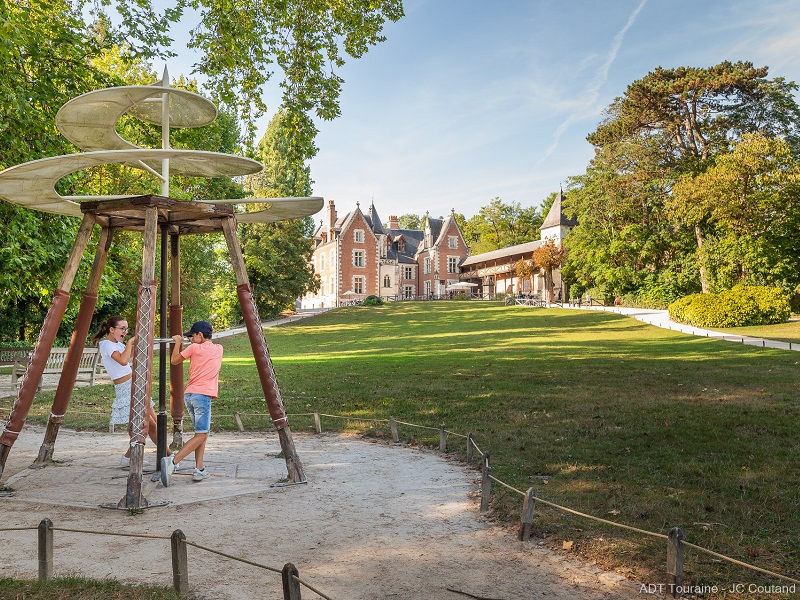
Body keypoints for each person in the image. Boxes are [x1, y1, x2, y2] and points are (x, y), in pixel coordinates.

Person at [91, 316, 166, 467]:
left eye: (126, 329)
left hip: (134, 384)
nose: (125, 332)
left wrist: (135, 345)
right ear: (112, 330)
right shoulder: (106, 345)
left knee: (155, 423)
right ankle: (168, 455)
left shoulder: (117, 344)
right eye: (122, 328)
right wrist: (131, 342)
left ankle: (133, 456)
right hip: (125, 387)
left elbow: (128, 356)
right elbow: (123, 361)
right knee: (148, 424)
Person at [161, 320, 223, 486]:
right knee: (202, 434)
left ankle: (199, 469)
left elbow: (174, 360)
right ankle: (173, 461)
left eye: (192, 336)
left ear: (200, 335)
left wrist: (178, 343)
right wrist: (189, 342)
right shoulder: (219, 348)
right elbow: (201, 350)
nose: (191, 338)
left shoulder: (193, 348)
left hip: (190, 395)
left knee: (201, 434)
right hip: (203, 396)